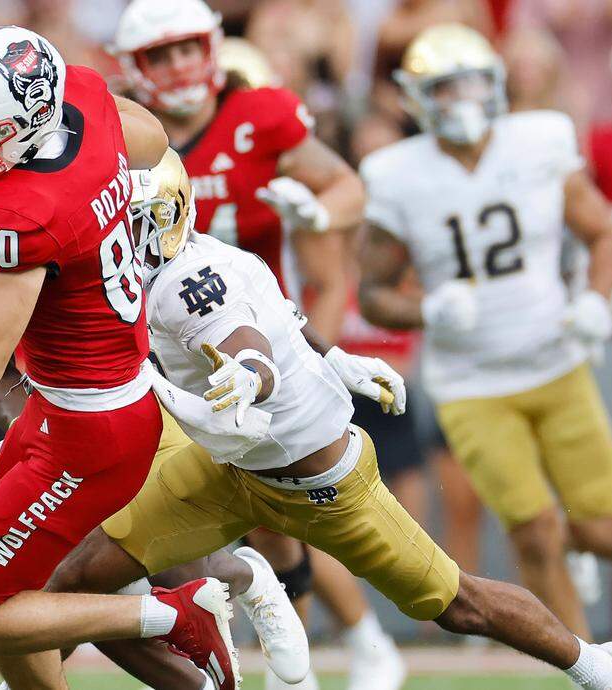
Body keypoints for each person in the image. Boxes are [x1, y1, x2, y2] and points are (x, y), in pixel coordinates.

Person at [45, 143, 612, 690]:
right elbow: (284, 317)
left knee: (461, 604)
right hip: (228, 471)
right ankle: (31, 677)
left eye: (126, 219)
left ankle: (596, 666)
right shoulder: (219, 252)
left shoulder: (180, 282)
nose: (112, 234)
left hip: (323, 485)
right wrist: (333, 355)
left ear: (163, 218)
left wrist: (250, 374)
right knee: (77, 576)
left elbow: (247, 340)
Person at [0, 25, 241, 690]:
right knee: (12, 593)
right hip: (83, 405)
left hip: (88, 433)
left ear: (23, 128)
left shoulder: (24, 215)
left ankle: (170, 613)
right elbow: (153, 141)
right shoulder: (84, 100)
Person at [109, 3, 401, 688]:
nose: (181, 67)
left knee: (276, 513)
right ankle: (334, 641)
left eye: (189, 49)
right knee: (149, 512)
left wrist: (321, 214)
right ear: (133, 69)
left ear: (214, 48)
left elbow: (346, 185)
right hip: (154, 337)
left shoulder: (260, 117)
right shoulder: (124, 138)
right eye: (162, 55)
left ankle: (348, 642)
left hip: (250, 333)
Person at [358, 23, 612, 642]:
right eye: (444, 89)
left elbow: (601, 233)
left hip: (557, 364)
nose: (461, 101)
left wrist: (593, 298)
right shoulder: (397, 174)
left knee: (608, 533)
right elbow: (372, 293)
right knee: (533, 530)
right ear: (417, 97)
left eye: (471, 84)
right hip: (471, 383)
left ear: (497, 85)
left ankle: (582, 553)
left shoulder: (539, 141)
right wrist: (429, 311)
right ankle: (592, 668)